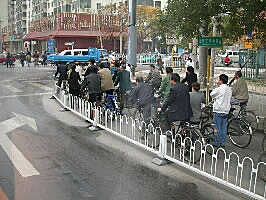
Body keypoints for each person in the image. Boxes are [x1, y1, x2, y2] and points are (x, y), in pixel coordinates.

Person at [210, 74, 232, 147]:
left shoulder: (220, 88)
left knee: (217, 127)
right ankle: (222, 142)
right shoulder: (229, 89)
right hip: (226, 110)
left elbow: (212, 94)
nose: (218, 81)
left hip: (218, 110)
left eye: (219, 79)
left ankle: (216, 141)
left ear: (221, 81)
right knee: (223, 128)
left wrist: (216, 87)